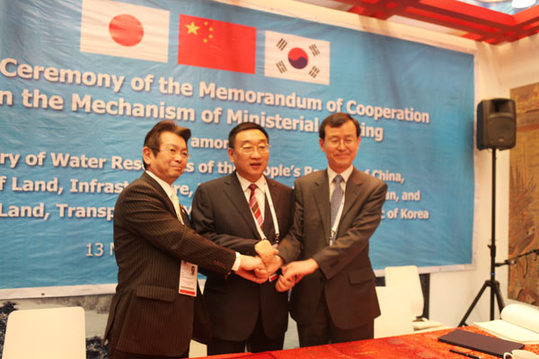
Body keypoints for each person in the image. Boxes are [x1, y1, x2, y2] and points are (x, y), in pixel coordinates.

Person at [104, 120, 266, 359]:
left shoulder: (173, 201)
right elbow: (181, 241)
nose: (180, 158)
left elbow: (187, 253)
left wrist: (234, 270)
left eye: (184, 153)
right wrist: (239, 261)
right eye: (172, 150)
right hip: (144, 328)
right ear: (147, 155)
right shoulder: (139, 193)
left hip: (171, 327)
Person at [275, 112, 388, 347]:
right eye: (334, 139)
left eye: (348, 139)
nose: (342, 146)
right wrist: (280, 261)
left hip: (353, 299)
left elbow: (356, 238)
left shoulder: (373, 188)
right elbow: (296, 234)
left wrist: (312, 263)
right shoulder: (305, 185)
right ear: (322, 144)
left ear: (358, 142)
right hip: (310, 296)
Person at [191, 122, 294, 355]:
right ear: (231, 154)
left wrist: (284, 262)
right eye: (247, 147)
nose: (256, 154)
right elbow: (201, 240)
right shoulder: (210, 192)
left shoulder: (286, 194)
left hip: (272, 310)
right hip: (227, 310)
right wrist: (251, 246)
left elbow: (293, 239)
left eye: (262, 147)